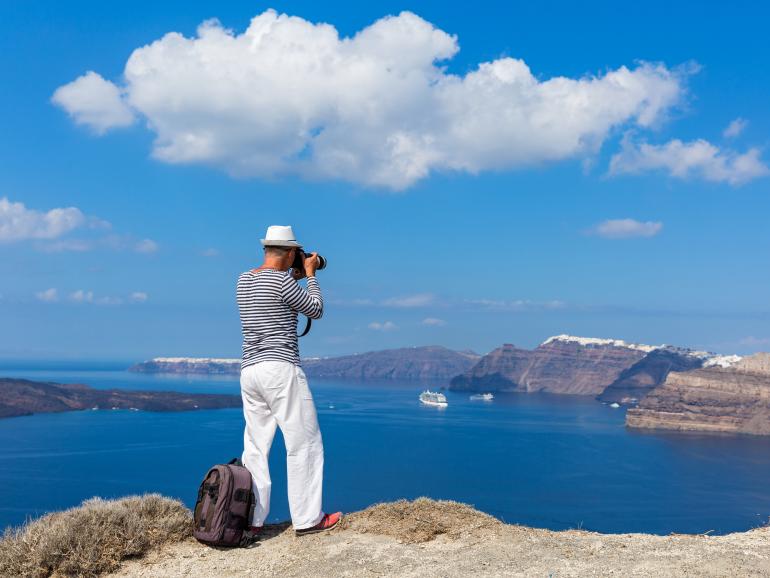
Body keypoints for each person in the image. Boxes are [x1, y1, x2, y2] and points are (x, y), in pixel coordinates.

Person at [236, 225, 341, 537]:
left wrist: (295, 272)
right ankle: (309, 519)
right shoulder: (285, 282)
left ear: (267, 249)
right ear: (292, 252)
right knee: (304, 442)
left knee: (255, 447)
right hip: (279, 369)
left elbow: (275, 290)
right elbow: (316, 309)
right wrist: (311, 274)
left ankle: (252, 521)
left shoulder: (244, 280)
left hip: (249, 372)